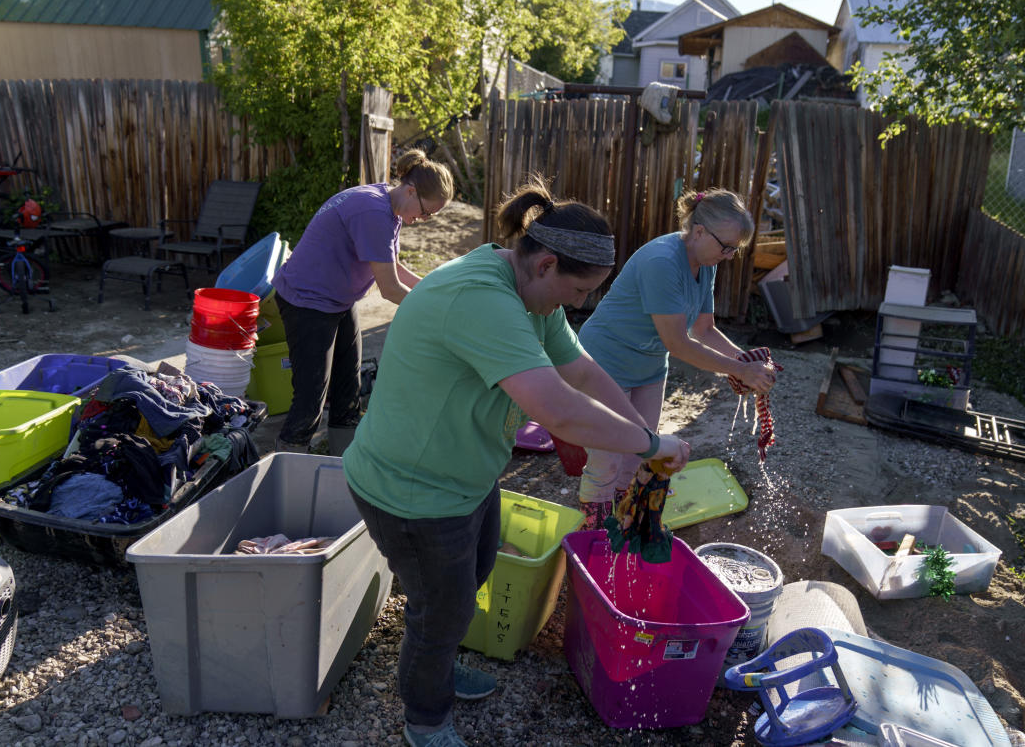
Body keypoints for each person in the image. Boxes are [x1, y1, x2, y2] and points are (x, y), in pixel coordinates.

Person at [343, 180, 690, 747]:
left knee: (473, 576)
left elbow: (578, 370)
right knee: (440, 613)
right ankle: (425, 720)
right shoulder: (481, 298)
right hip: (410, 490)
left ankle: (440, 658)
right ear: (547, 262)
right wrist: (649, 448)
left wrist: (645, 430)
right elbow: (558, 408)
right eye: (577, 291)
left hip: (464, 477)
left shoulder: (528, 289)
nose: (577, 305)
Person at [575, 187, 778, 529]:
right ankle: (593, 533)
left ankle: (621, 525)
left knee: (641, 450)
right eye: (726, 246)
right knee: (606, 459)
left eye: (735, 250)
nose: (729, 255)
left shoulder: (706, 260)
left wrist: (749, 363)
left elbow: (704, 329)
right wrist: (741, 370)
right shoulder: (662, 261)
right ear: (698, 231)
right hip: (606, 361)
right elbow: (679, 343)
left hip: (649, 366)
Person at [270, 149, 453, 454]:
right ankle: (288, 463)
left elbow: (393, 266)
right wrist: (437, 313)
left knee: (348, 388)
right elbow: (390, 289)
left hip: (337, 301)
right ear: (411, 190)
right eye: (426, 212)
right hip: (307, 302)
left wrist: (432, 289)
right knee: (311, 395)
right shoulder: (373, 212)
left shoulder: (390, 204)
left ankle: (345, 464)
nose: (422, 220)